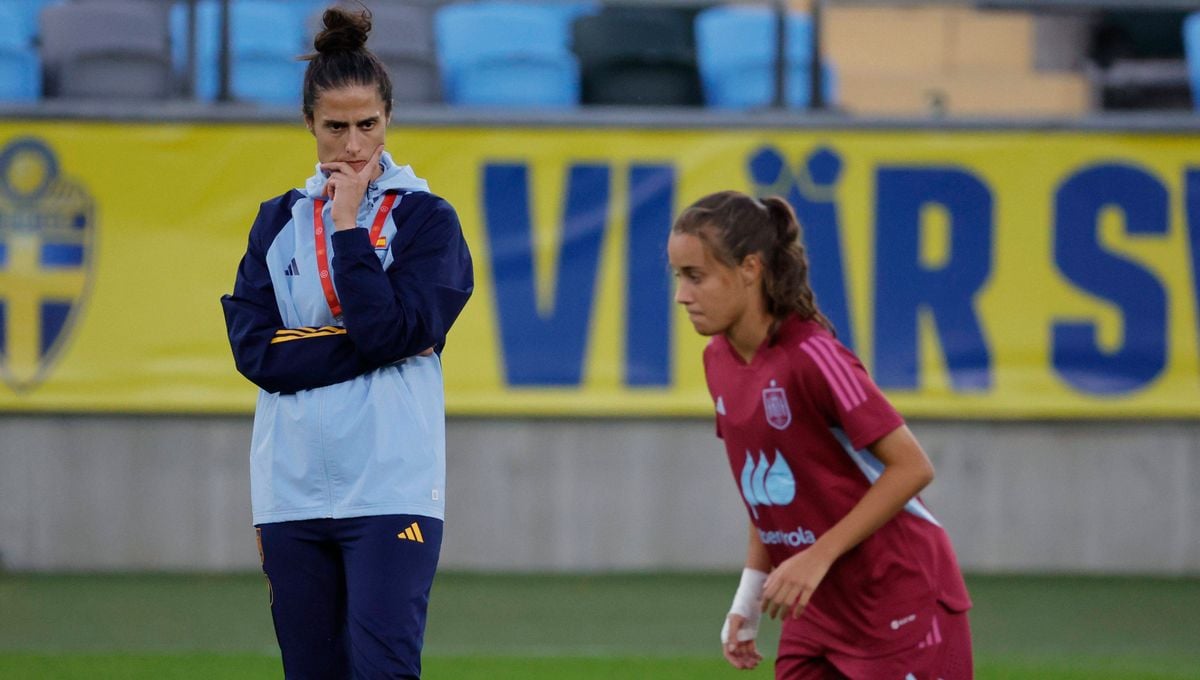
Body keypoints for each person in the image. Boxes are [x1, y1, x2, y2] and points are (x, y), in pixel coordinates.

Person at [219, 6, 473, 678]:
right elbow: (257, 354)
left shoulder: (428, 221)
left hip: (392, 486)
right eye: (336, 127)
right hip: (290, 488)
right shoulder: (276, 223)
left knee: (384, 671)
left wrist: (349, 228)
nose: (354, 145)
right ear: (309, 125)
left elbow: (386, 329)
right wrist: (377, 338)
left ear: (389, 120)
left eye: (368, 125)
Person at [666, 191, 972, 679]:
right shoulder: (717, 360)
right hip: (819, 611)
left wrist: (817, 557)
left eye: (695, 276)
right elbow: (763, 489)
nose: (682, 295)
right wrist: (750, 591)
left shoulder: (812, 355)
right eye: (678, 277)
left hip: (898, 598)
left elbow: (913, 467)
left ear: (750, 268)